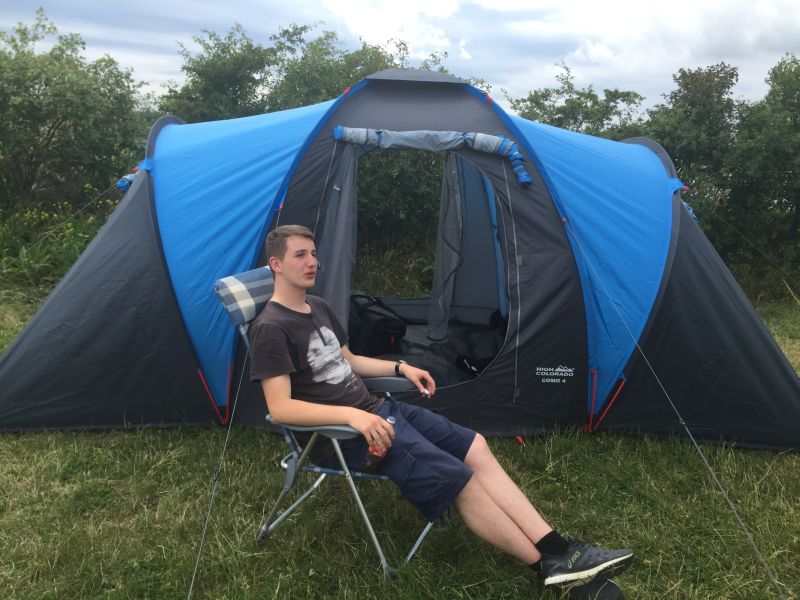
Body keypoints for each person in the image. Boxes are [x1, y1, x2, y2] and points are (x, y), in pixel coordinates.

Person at [249, 224, 633, 591]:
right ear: (276, 264)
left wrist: (400, 367)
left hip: (378, 412)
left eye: (313, 253)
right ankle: (547, 568)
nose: (312, 262)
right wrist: (352, 416)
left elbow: (348, 360)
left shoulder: (317, 307)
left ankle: (557, 548)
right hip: (342, 437)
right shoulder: (271, 327)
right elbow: (280, 408)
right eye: (300, 255)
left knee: (475, 446)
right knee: (460, 479)